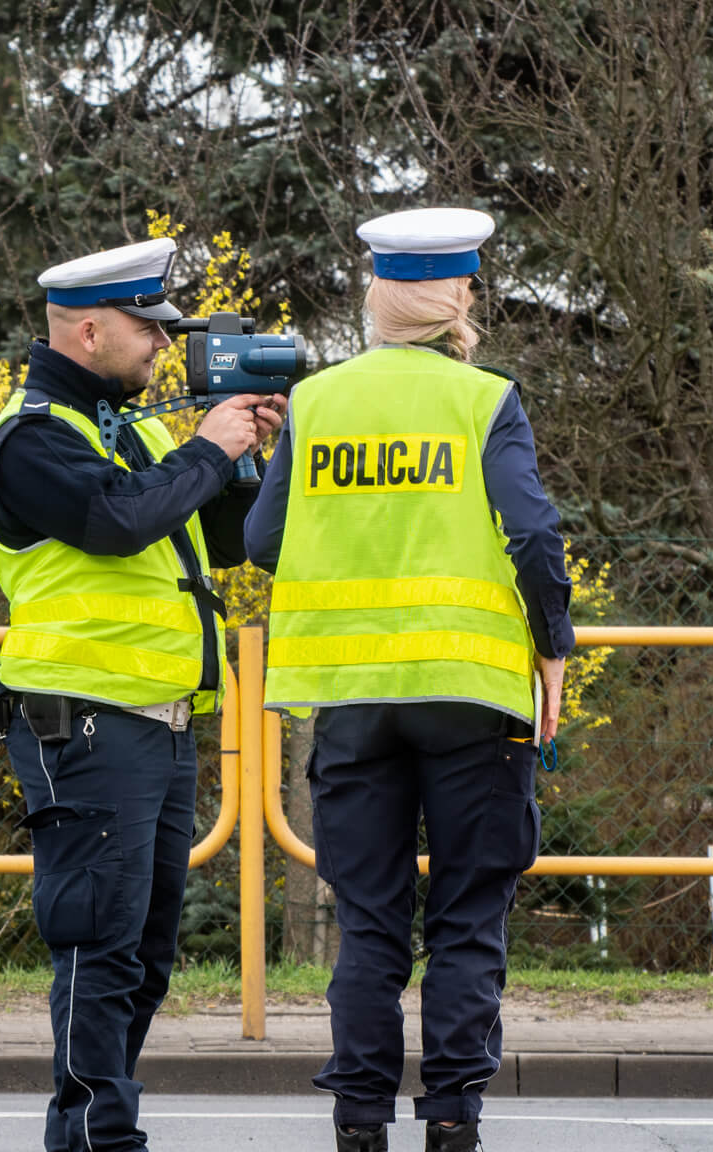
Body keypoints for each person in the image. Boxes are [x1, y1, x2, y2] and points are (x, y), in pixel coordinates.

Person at [242, 207, 574, 1152]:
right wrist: (552, 645)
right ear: (458, 299)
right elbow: (535, 535)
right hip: (472, 698)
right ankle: (453, 1121)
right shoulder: (486, 400)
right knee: (468, 920)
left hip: (349, 703)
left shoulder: (317, 403)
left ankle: (357, 1123)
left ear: (378, 300)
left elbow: (263, 540)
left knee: (371, 928)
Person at [0, 236, 285, 1152]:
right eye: (149, 329)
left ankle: (99, 1128)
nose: (162, 345)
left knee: (144, 958)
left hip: (160, 724)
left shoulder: (141, 430)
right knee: (99, 949)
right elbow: (115, 522)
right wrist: (204, 449)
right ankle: (96, 1140)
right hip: (84, 725)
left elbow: (224, 542)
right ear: (92, 329)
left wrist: (249, 451)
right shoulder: (30, 437)